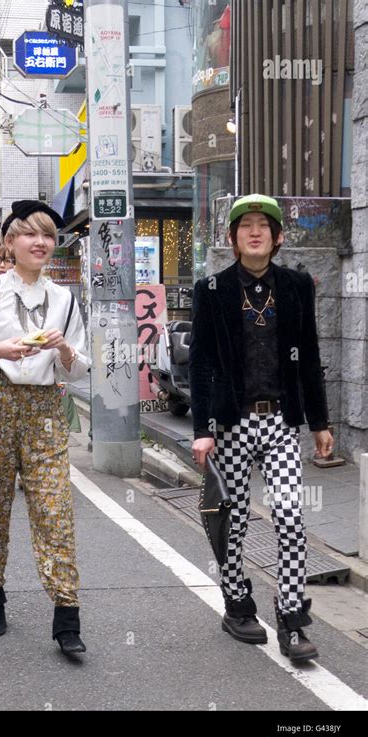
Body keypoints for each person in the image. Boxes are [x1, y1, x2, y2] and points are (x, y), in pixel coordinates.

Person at [189, 194, 333, 663]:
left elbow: (308, 355)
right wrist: (204, 428)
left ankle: (292, 619)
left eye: (263, 226)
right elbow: (203, 362)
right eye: (245, 225)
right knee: (232, 521)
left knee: (290, 517)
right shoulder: (211, 289)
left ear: (277, 237)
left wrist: (320, 422)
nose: (255, 232)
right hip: (231, 424)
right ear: (232, 239)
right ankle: (238, 604)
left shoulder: (296, 285)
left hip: (280, 422)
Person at [0, 200, 90, 656]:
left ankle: (66, 614)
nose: (41, 242)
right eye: (30, 234)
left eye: (48, 235)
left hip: (46, 410)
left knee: (55, 511)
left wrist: (66, 349)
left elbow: (79, 369)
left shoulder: (64, 298)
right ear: (10, 242)